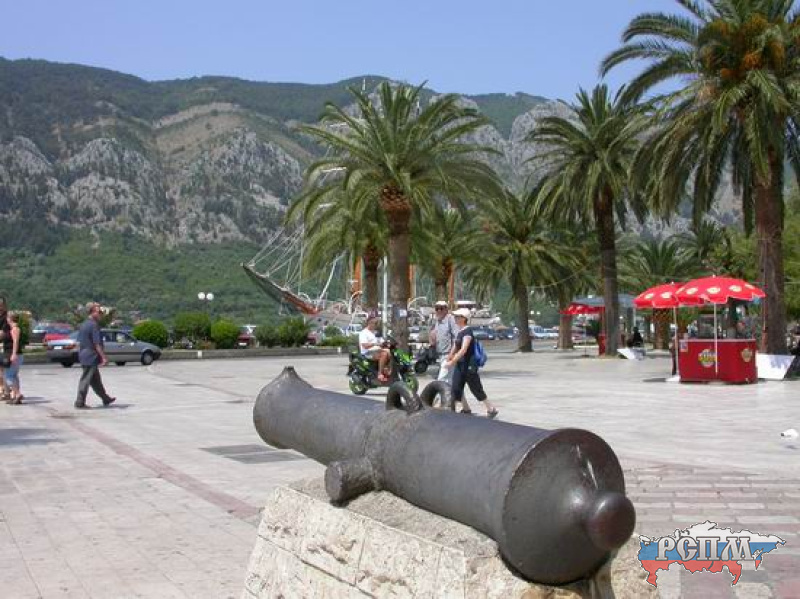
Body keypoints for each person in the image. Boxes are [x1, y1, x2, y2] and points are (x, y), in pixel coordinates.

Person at [445, 308, 498, 418]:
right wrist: (450, 356)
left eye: (457, 316)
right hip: (460, 364)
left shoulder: (468, 332)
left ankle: (491, 409)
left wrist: (452, 361)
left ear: (463, 318)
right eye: (455, 316)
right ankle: (462, 410)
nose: (455, 318)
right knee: (456, 387)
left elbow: (463, 349)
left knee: (476, 388)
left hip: (469, 365)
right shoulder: (460, 331)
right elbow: (456, 346)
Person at [75, 302, 116, 409]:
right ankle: (80, 402)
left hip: (84, 354)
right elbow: (97, 343)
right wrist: (104, 357)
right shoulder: (94, 325)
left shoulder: (84, 324)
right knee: (86, 379)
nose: (101, 314)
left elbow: (79, 342)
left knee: (96, 380)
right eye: (99, 312)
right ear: (93, 312)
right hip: (91, 356)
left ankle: (105, 398)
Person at [429, 301, 457, 384]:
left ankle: (438, 393)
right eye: (437, 309)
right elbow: (433, 339)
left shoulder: (450, 320)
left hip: (449, 355)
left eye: (441, 308)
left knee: (441, 380)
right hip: (440, 355)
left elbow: (457, 338)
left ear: (446, 309)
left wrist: (452, 354)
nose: (439, 311)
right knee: (449, 381)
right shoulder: (437, 322)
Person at [359, 316, 390, 383]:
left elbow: (382, 342)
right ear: (369, 323)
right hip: (368, 352)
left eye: (376, 323)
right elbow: (364, 345)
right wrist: (375, 344)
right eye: (374, 323)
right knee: (384, 354)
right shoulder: (363, 333)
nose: (375, 325)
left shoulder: (376, 332)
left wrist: (387, 343)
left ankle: (388, 371)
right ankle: (380, 374)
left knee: (391, 353)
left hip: (377, 351)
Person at [3, 311, 23, 404]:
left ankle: (18, 394)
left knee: (8, 376)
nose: (6, 319)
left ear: (10, 318)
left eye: (7, 317)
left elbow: (15, 342)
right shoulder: (12, 329)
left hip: (14, 355)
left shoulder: (15, 329)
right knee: (14, 376)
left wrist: (14, 354)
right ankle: (15, 397)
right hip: (13, 354)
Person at [0, 296, 9, 402]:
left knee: (2, 370)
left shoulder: (6, 317)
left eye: (1, 305)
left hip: (3, 346)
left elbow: (2, 333)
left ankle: (4, 390)